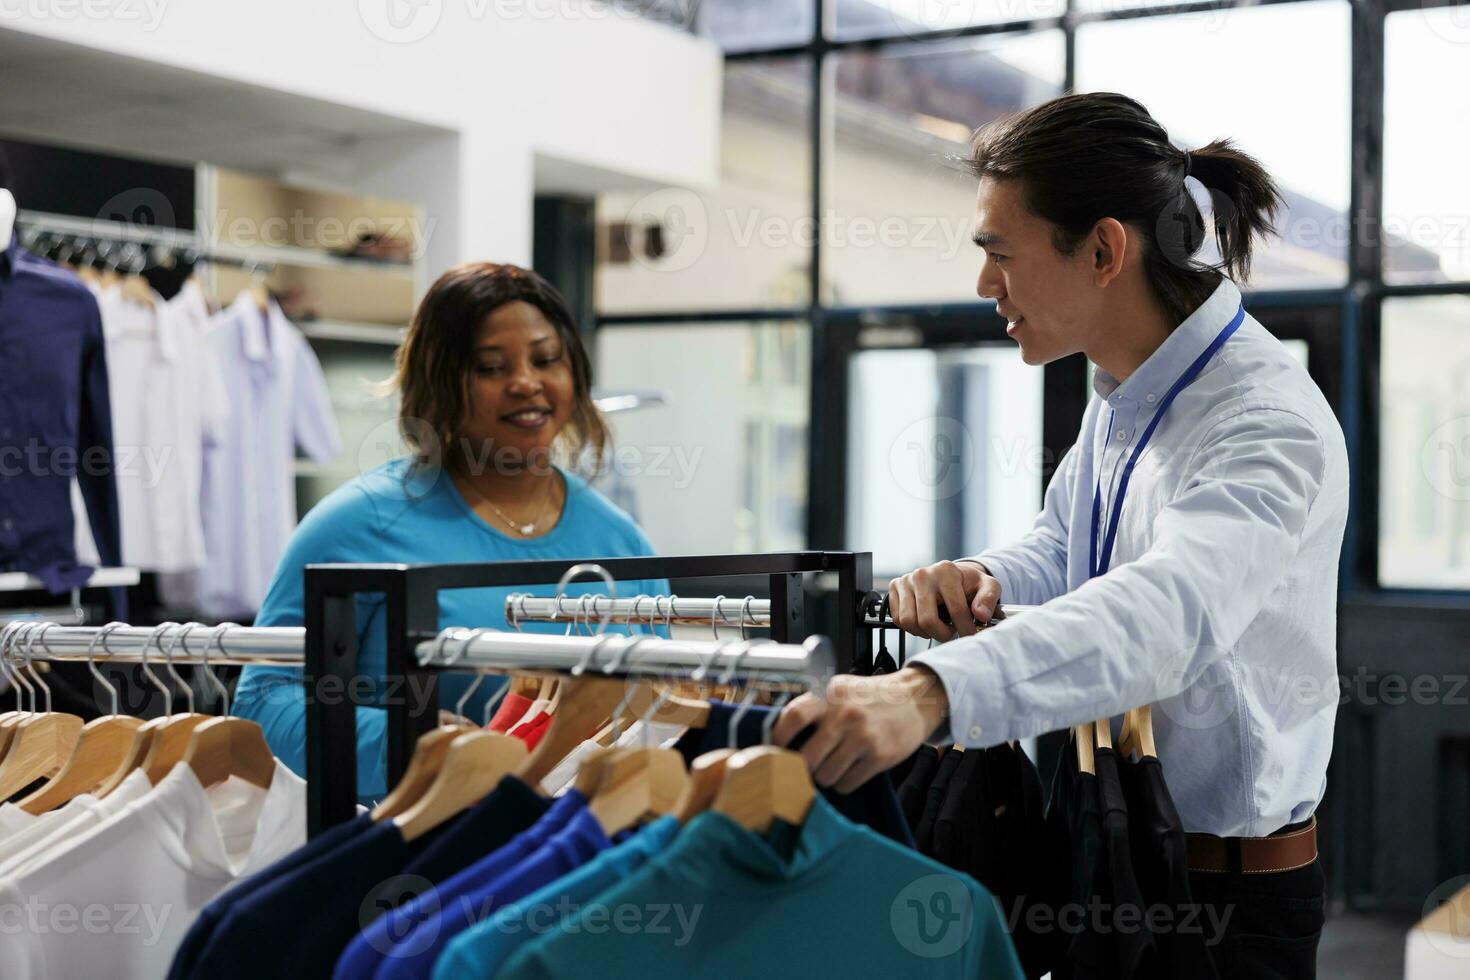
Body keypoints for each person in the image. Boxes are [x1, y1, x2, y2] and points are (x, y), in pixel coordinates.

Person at [774, 92, 1347, 977]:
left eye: (1000, 253)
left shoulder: (1263, 420)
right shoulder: (1123, 393)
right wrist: (981, 577)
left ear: (1105, 249)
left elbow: (1167, 615)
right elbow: (1063, 551)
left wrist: (930, 691)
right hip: (1109, 855)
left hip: (1223, 906)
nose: (983, 285)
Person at [235, 262, 668, 801]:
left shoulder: (621, 542)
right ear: (439, 382)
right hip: (413, 864)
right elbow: (262, 704)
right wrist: (413, 742)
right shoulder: (356, 525)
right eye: (490, 366)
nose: (526, 383)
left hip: (588, 860)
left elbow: (663, 710)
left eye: (546, 359)